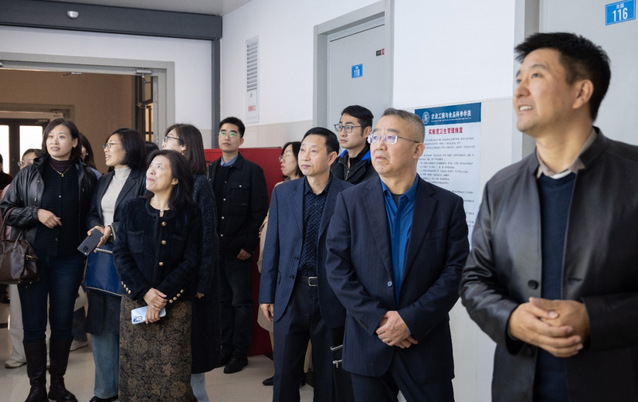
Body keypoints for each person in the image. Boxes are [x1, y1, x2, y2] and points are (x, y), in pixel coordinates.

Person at [459, 32, 638, 402]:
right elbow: (475, 280)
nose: (519, 91)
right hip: (517, 388)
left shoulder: (632, 174)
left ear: (580, 92)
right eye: (518, 79)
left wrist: (595, 319)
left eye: (536, 76)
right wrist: (510, 319)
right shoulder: (501, 187)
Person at [325, 108, 469, 402]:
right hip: (368, 341)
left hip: (424, 342)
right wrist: (379, 319)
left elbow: (456, 271)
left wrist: (410, 320)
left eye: (390, 138)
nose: (379, 145)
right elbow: (337, 267)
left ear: (417, 150)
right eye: (376, 137)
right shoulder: (350, 201)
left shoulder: (447, 205)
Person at [1, 117, 97, 402]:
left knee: (63, 323)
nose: (55, 141)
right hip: (33, 258)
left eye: (62, 136)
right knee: (33, 324)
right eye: (51, 136)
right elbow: (6, 209)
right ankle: (36, 388)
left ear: (75, 142)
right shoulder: (29, 173)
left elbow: (92, 212)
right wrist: (36, 213)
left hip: (70, 260)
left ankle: (57, 384)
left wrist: (94, 228)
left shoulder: (87, 176)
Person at [259, 127, 353, 401]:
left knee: (328, 376)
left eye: (314, 151)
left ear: (332, 157)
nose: (305, 157)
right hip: (291, 293)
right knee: (285, 374)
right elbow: (273, 245)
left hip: (332, 295)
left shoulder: (349, 195)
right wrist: (267, 294)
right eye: (302, 150)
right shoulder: (284, 193)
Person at [113, 150, 202, 401]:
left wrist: (160, 297)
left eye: (160, 167)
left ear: (175, 179)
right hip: (135, 303)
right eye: (151, 166)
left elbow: (191, 260)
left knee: (173, 377)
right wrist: (145, 293)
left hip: (175, 306)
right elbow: (121, 254)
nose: (151, 171)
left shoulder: (190, 212)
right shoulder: (132, 208)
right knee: (135, 373)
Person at [85, 128, 147, 402]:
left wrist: (113, 229)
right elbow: (92, 213)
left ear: (129, 147)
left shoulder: (143, 178)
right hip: (101, 261)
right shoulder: (104, 179)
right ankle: (104, 391)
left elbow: (146, 215)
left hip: (130, 263)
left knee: (128, 329)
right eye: (106, 144)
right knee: (100, 328)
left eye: (112, 144)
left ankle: (129, 392)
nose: (106, 149)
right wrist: (96, 228)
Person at [162, 123, 220, 402]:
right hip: (167, 279)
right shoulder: (167, 181)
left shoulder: (199, 184)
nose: (164, 142)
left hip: (192, 281)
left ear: (184, 146)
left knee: (192, 357)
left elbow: (208, 237)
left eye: (169, 139)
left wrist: (202, 283)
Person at [208, 116, 268, 374]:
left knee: (240, 302)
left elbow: (259, 212)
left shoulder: (252, 171)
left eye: (232, 133)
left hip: (239, 251)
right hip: (215, 250)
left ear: (241, 140)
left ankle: (240, 353)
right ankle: (225, 348)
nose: (226, 137)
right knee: (221, 301)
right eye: (223, 132)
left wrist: (249, 245)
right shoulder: (211, 170)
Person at [256, 141, 303, 386]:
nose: (282, 161)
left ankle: (299, 371)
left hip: (294, 269)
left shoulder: (306, 190)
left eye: (287, 155)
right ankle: (281, 369)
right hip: (272, 265)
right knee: (273, 319)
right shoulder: (280, 188)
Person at [2, 148, 44, 370]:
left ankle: (45, 354)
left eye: (32, 161)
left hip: (43, 253)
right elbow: (6, 215)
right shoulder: (10, 187)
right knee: (17, 308)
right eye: (23, 162)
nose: (27, 166)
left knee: (45, 309)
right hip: (18, 254)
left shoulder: (46, 185)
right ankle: (19, 353)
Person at [330, 105, 377, 184]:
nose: (342, 133)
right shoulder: (335, 163)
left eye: (349, 127)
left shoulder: (376, 164)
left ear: (366, 131)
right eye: (340, 126)